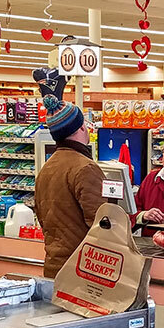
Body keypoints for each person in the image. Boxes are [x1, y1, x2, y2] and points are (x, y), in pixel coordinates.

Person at [34, 96, 103, 277]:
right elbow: (102, 225)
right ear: (81, 127)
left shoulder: (45, 170)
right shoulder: (86, 168)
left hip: (53, 267)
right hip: (82, 271)